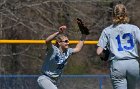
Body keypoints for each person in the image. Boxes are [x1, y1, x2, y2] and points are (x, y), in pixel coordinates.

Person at [96, 3, 140, 89]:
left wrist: (104, 55)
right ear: (126, 14)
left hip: (117, 64)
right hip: (133, 63)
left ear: (113, 15)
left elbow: (99, 51)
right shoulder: (134, 28)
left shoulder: (107, 30)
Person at [37, 25, 88, 89]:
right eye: (66, 41)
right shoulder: (53, 50)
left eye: (68, 41)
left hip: (54, 82)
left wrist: (84, 35)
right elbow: (47, 41)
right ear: (59, 42)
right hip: (45, 79)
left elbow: (77, 48)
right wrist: (58, 32)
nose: (68, 43)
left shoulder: (68, 52)